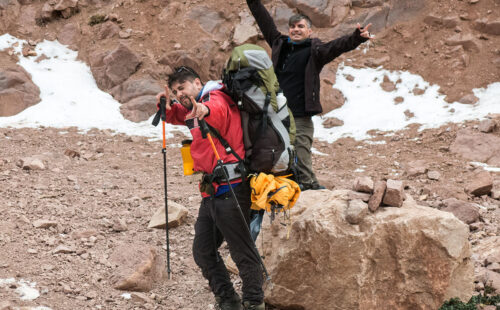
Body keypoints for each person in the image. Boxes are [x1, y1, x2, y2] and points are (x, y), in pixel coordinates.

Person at [155, 66, 265, 310]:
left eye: (181, 88)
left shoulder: (216, 98)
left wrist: (203, 109)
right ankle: (228, 300)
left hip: (233, 188)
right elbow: (179, 115)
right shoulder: (194, 106)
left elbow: (213, 112)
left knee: (241, 251)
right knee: (203, 250)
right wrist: (165, 106)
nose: (179, 94)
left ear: (197, 82)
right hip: (212, 191)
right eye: (175, 91)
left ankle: (254, 302)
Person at [246, 0, 374, 191]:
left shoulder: (315, 51)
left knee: (301, 151)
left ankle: (309, 186)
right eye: (293, 27)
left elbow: (337, 46)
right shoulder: (279, 44)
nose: (296, 30)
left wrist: (357, 37)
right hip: (277, 114)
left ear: (309, 31)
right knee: (274, 152)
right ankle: (281, 186)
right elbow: (263, 19)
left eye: (301, 26)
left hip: (300, 115)